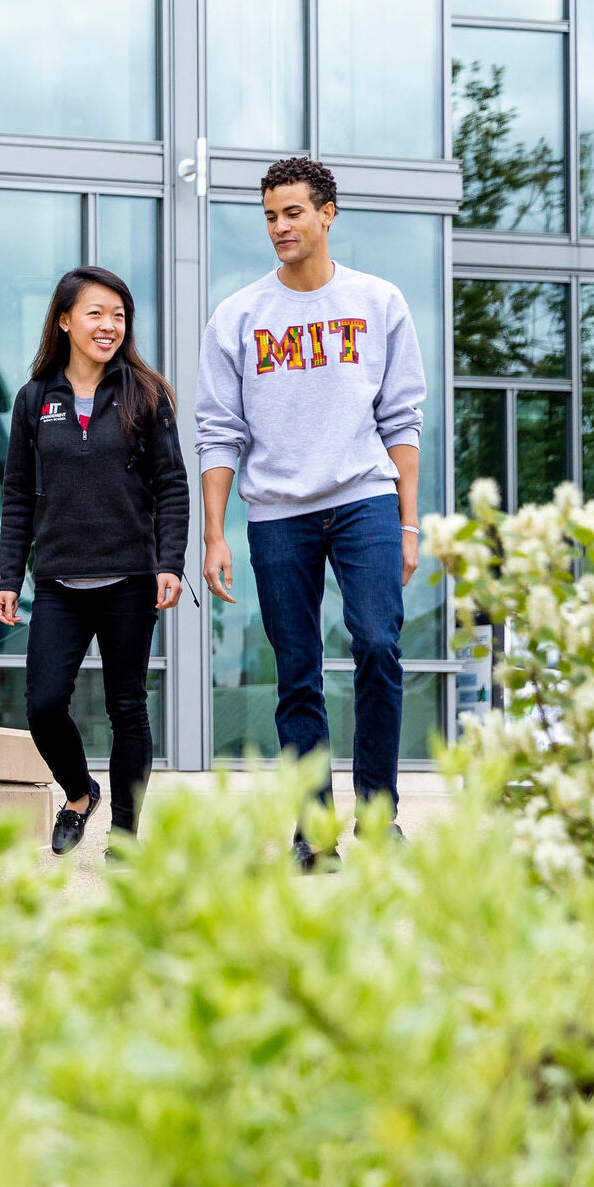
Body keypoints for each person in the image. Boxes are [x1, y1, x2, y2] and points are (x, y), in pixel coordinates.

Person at [196, 157, 426, 872]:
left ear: (328, 213)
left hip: (364, 499)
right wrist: (213, 534)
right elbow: (217, 430)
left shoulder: (378, 302)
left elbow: (402, 420)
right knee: (296, 670)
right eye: (269, 215)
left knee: (378, 648)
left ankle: (380, 818)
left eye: (292, 212)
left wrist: (409, 523)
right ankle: (315, 832)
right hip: (277, 515)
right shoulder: (238, 316)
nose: (279, 227)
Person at [0, 266, 188, 857]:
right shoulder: (34, 400)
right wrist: (9, 577)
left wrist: (170, 563)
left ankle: (126, 835)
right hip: (58, 579)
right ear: (64, 320)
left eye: (118, 316)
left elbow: (173, 486)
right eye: (95, 313)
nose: (108, 326)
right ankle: (79, 793)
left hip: (130, 576)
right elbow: (18, 494)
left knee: (127, 707)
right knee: (44, 704)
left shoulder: (145, 395)